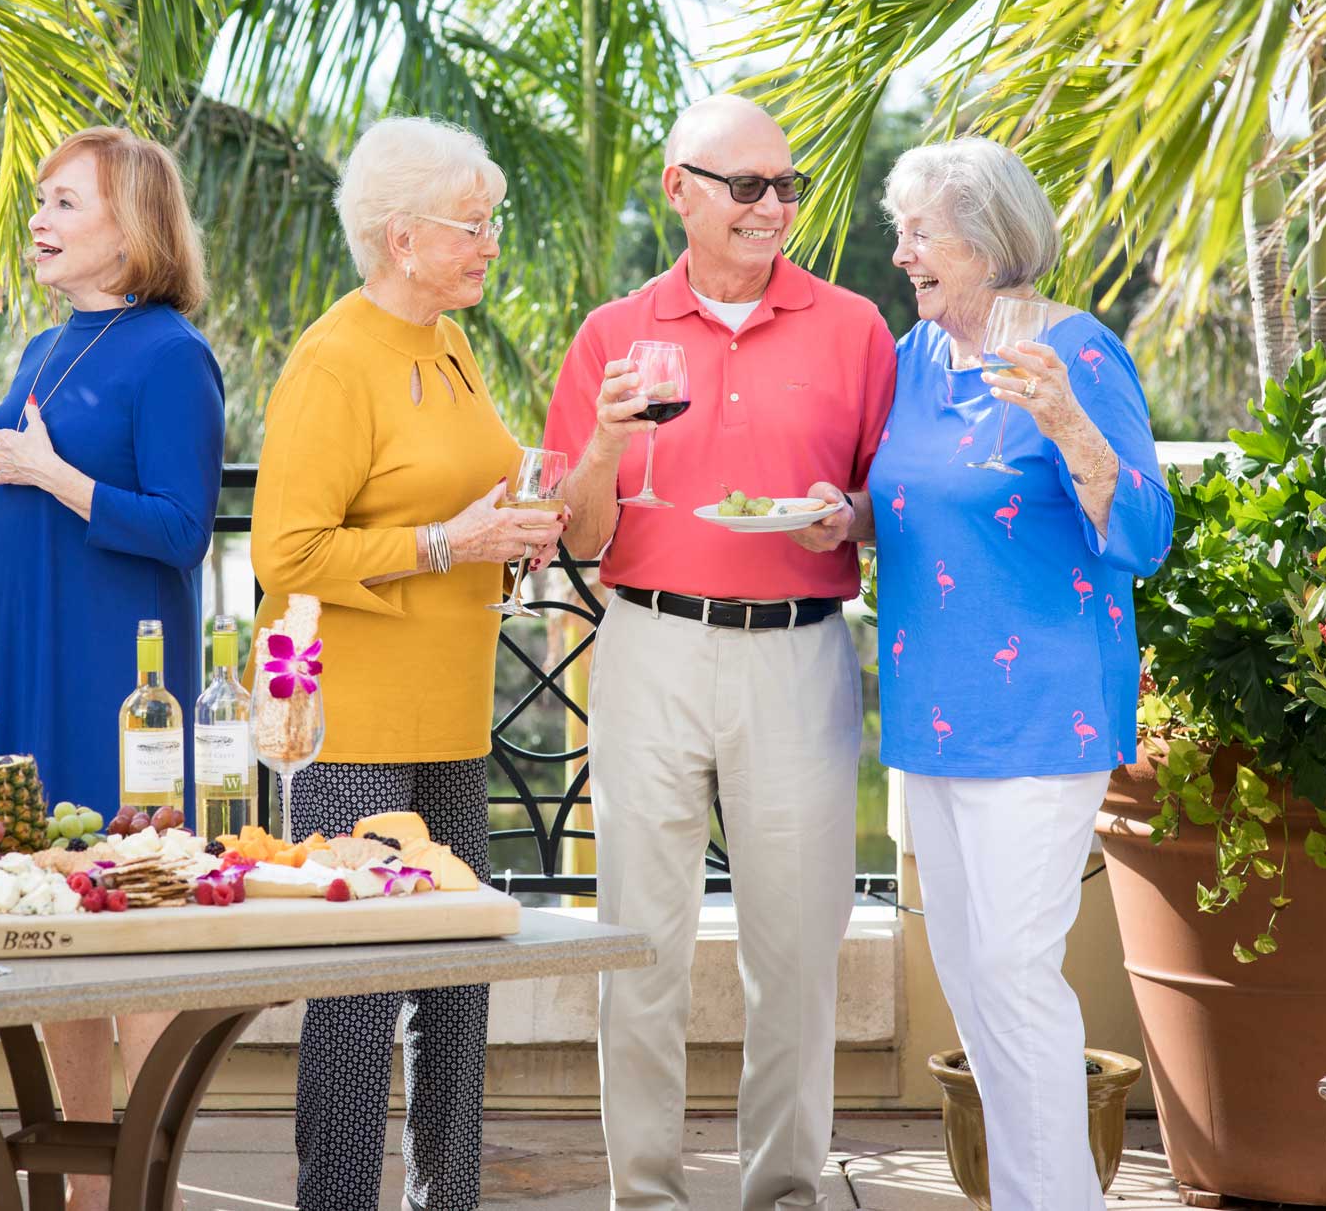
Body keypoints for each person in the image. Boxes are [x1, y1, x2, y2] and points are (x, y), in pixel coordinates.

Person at [541, 93, 896, 1211]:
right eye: (744, 186)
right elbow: (581, 535)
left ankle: (783, 1192)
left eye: (785, 186)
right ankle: (642, 1194)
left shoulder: (853, 328)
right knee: (635, 945)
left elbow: (891, 502)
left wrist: (848, 517)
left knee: (794, 956)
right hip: (648, 645)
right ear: (678, 190)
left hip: (797, 655)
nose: (770, 207)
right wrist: (600, 439)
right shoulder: (612, 334)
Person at [0, 125, 223, 1211]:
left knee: (125, 943)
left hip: (107, 691)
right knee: (52, 949)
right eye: (39, 201)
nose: (37, 219)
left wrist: (59, 473)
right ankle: (86, 1193)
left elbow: (184, 529)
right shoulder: (44, 350)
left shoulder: (172, 353)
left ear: (131, 228)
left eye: (64, 203)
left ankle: (147, 1188)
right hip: (17, 681)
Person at [250, 115, 564, 1211]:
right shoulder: (334, 360)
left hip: (450, 710)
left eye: (490, 222)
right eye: (469, 225)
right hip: (349, 722)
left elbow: (461, 500)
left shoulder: (447, 338)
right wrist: (448, 544)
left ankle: (448, 1201)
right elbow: (283, 552)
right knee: (354, 990)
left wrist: (507, 535)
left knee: (456, 978)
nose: (487, 242)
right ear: (399, 236)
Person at [853, 136, 1171, 1211]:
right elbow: (912, 499)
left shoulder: (1074, 352)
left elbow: (1142, 530)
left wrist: (1067, 426)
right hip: (927, 713)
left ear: (986, 245)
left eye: (919, 232)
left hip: (1039, 716)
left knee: (1013, 975)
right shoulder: (915, 359)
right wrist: (837, 516)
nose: (900, 251)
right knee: (970, 984)